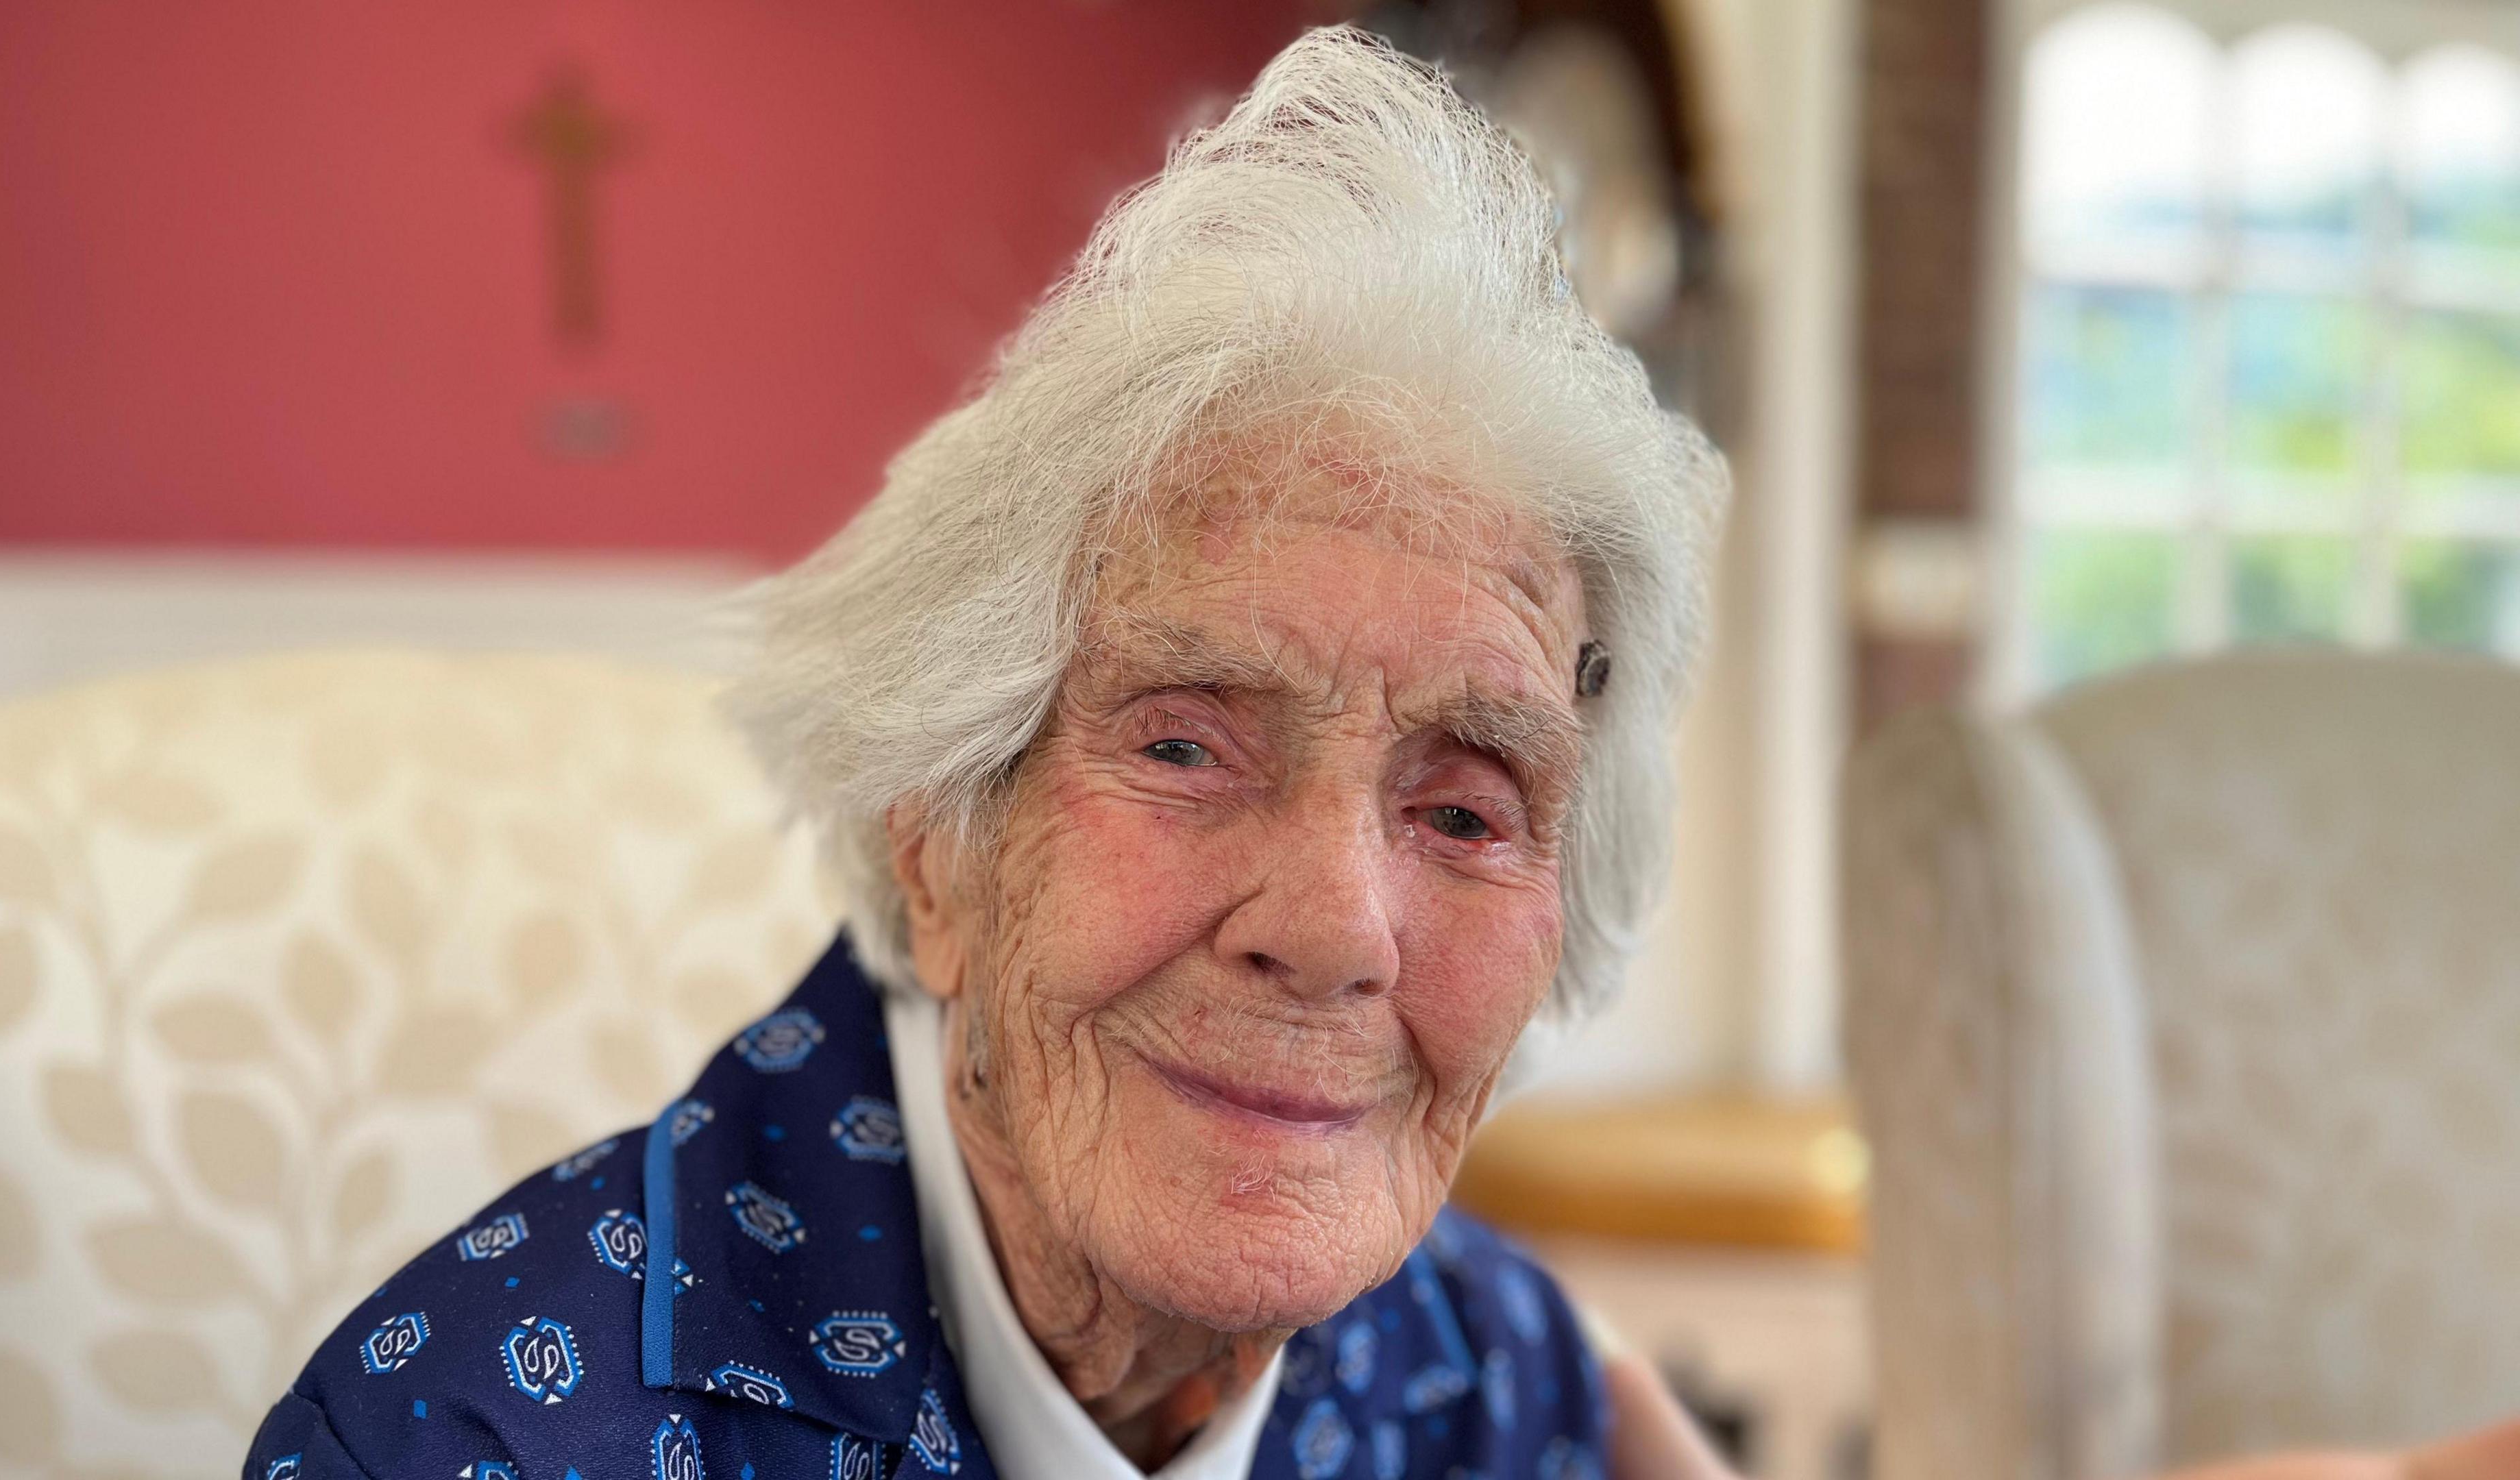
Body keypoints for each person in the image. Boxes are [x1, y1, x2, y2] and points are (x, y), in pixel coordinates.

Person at [243, 27, 2515, 1480]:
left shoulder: (1471, 1378)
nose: (1339, 924)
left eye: (1465, 804)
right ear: (937, 835)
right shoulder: (478, 1441)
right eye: (1188, 744)